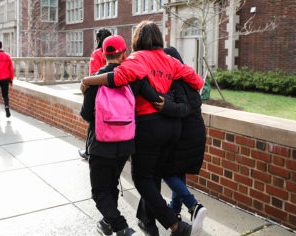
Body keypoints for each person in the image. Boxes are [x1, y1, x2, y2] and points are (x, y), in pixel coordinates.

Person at [81, 21, 204, 236]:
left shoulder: (137, 59)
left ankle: (175, 224)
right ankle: (148, 222)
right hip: (172, 127)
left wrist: (87, 81)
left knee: (142, 178)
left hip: (148, 126)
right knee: (153, 176)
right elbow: (198, 82)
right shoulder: (171, 60)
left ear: (137, 40)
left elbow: (117, 75)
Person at [81, 35, 164, 236]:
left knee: (100, 192)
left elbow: (86, 114)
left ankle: (122, 227)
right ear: (124, 54)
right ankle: (108, 223)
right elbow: (156, 98)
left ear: (103, 54)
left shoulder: (95, 79)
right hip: (125, 143)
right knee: (111, 185)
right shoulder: (133, 77)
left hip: (101, 144)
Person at [153, 47, 207, 236]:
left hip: (184, 135)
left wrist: (165, 106)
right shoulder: (189, 78)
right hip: (196, 132)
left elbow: (183, 109)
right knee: (178, 171)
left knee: (164, 170)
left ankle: (193, 206)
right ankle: (174, 212)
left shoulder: (174, 80)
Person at [80, 28, 113, 159]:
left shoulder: (97, 53)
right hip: (114, 91)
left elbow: (93, 75)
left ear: (98, 40)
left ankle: (89, 151)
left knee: (94, 123)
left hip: (100, 92)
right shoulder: (118, 53)